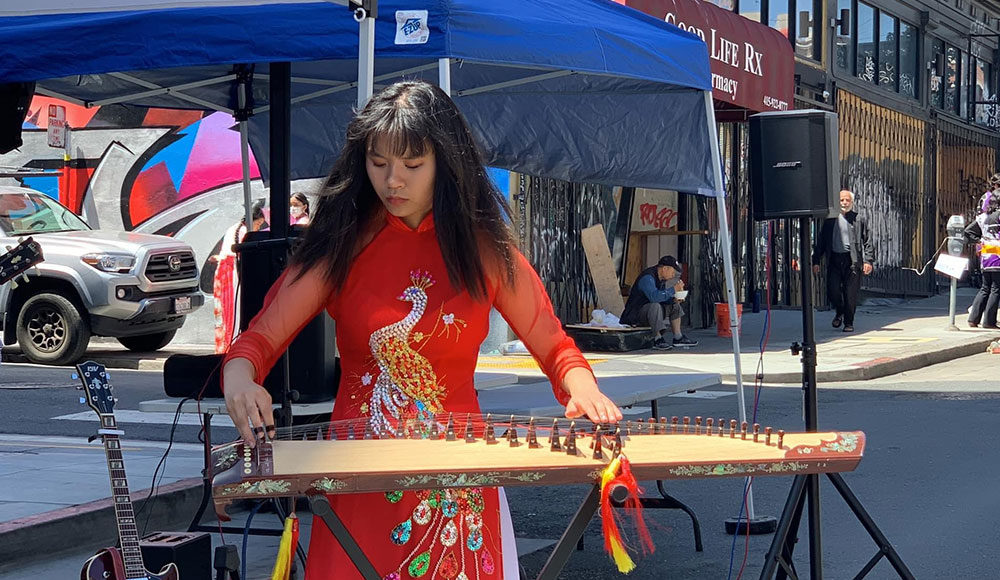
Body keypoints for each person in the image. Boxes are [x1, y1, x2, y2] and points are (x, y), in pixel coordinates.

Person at [220, 80, 622, 580]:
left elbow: (555, 347)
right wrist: (239, 376)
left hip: (455, 477)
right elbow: (259, 339)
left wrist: (583, 388)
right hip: (359, 476)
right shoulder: (340, 248)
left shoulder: (484, 250)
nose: (393, 181)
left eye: (412, 165)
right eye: (378, 163)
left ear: (445, 163)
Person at [812, 189, 874, 332]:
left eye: (847, 200)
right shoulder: (830, 220)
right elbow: (821, 242)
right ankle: (840, 310)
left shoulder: (858, 219)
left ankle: (848, 322)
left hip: (852, 261)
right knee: (832, 290)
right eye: (841, 200)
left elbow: (868, 241)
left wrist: (868, 261)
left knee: (850, 293)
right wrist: (816, 261)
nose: (844, 203)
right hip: (834, 259)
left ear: (852, 202)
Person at [211, 201, 267, 353]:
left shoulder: (234, 228)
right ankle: (231, 344)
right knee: (233, 310)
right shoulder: (244, 232)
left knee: (225, 311)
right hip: (231, 273)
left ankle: (225, 344)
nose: (258, 227)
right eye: (258, 224)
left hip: (224, 272)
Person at [619, 255, 698, 349]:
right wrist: (673, 289)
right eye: (673, 272)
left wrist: (674, 299)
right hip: (635, 316)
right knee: (654, 305)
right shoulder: (647, 277)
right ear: (665, 269)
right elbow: (654, 297)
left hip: (651, 314)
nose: (673, 275)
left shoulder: (662, 280)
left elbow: (662, 297)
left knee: (674, 305)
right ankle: (657, 338)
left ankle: (678, 337)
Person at [964, 190, 1000, 328]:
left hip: (986, 257)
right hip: (998, 256)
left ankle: (973, 319)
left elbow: (968, 232)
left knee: (985, 288)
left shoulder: (984, 218)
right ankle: (989, 321)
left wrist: (980, 241)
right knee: (996, 289)